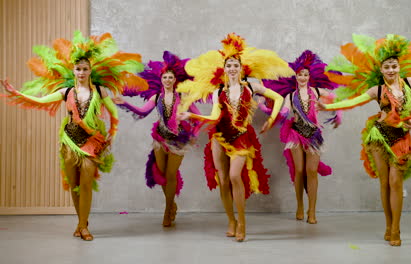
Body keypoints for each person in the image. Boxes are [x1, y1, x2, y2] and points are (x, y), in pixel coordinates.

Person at [0, 31, 147, 241]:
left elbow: (114, 115)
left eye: (85, 69)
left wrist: (111, 137)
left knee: (87, 183)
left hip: (91, 142)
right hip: (69, 141)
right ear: (73, 70)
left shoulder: (99, 90)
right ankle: (81, 223)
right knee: (75, 184)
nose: (81, 72)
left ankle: (83, 227)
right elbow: (40, 101)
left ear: (90, 71)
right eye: (78, 69)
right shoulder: (66, 92)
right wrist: (15, 92)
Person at [318, 34, 411, 246]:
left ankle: (397, 228)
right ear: (380, 70)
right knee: (384, 183)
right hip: (379, 137)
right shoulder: (377, 90)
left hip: (401, 139)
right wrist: (328, 107)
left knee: (395, 182)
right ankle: (388, 226)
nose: (391, 70)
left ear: (399, 67)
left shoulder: (410, 82)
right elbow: (352, 101)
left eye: (394, 66)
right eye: (387, 67)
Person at [177, 33, 294, 241]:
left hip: (241, 136)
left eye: (235, 65)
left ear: (241, 68)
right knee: (223, 180)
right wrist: (192, 115)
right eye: (228, 65)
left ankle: (242, 222)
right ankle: (230, 220)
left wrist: (271, 119)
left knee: (234, 176)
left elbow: (277, 98)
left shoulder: (251, 87)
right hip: (220, 137)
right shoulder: (218, 91)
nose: (232, 69)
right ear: (224, 68)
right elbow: (214, 116)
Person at [113, 51, 200, 227]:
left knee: (170, 174)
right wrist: (124, 103)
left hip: (178, 141)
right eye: (165, 77)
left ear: (176, 80)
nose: (168, 80)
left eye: (170, 77)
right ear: (161, 79)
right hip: (160, 139)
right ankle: (172, 204)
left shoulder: (183, 97)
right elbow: (142, 112)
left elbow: (198, 117)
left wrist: (193, 135)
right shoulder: (157, 97)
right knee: (160, 173)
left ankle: (167, 212)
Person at [262, 50, 342, 223]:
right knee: (299, 171)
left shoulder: (317, 92)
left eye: (306, 75)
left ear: (309, 76)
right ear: (295, 77)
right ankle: (299, 205)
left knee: (311, 171)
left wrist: (334, 112)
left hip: (313, 135)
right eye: (300, 75)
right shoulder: (291, 96)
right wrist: (268, 109)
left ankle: (311, 211)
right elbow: (282, 112)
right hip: (296, 134)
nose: (303, 78)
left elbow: (336, 99)